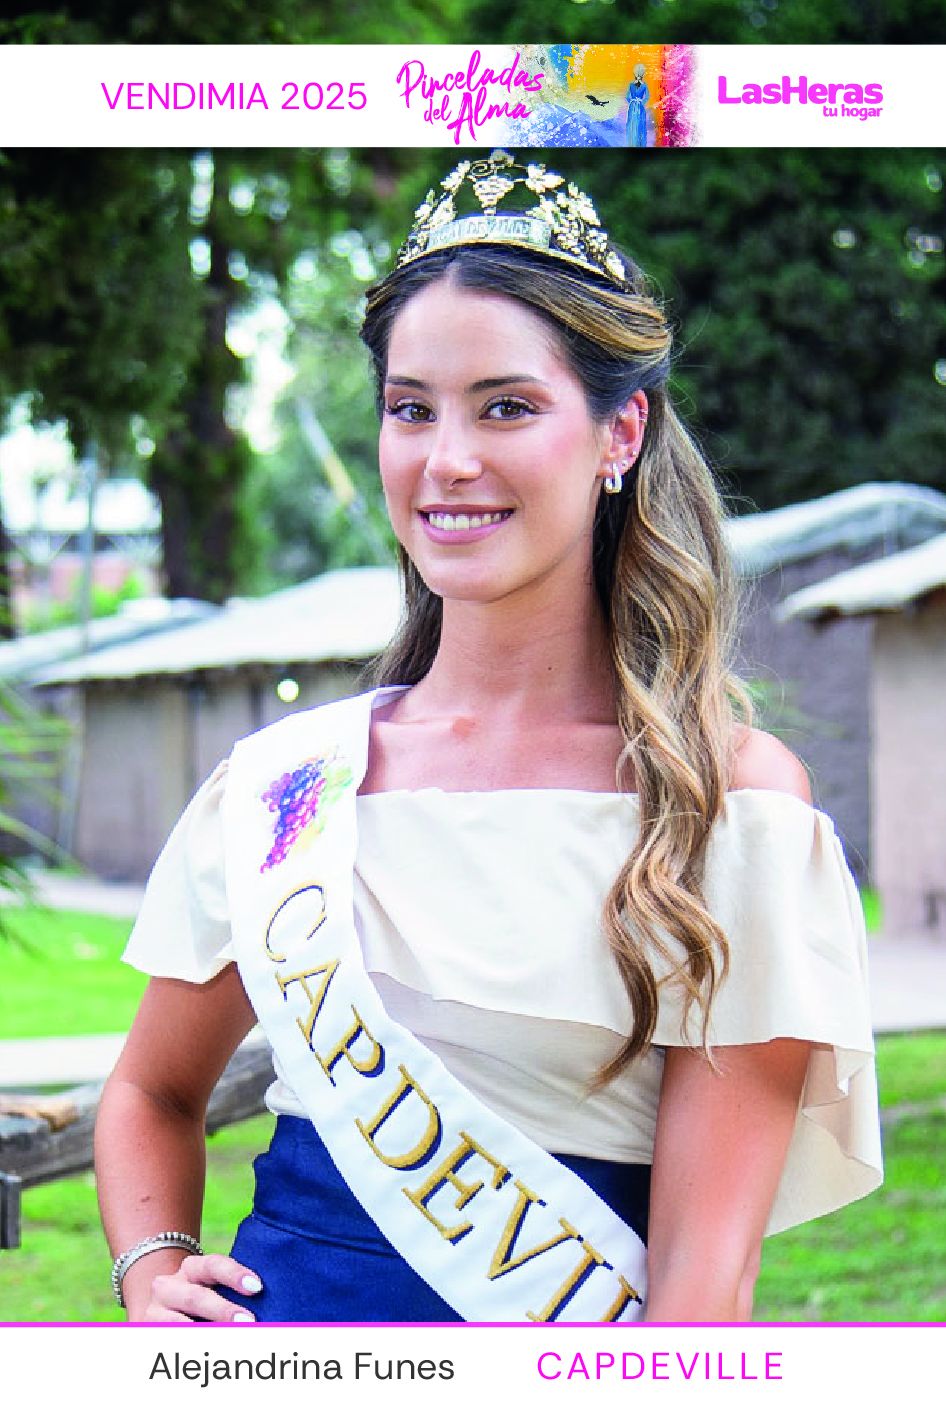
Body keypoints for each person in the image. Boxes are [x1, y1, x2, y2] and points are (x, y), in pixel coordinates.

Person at [94, 150, 882, 1324]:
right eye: (410, 408)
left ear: (620, 432)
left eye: (505, 405)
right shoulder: (285, 787)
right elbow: (151, 1089)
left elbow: (702, 1292)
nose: (446, 459)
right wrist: (152, 1264)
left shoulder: (725, 805)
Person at [625, 63, 651, 148]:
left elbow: (627, 96)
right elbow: (647, 97)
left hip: (634, 107)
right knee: (637, 124)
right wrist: (640, 102)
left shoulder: (632, 84)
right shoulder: (643, 85)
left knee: (635, 124)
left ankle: (634, 143)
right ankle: (637, 144)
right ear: (643, 74)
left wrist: (632, 102)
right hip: (639, 107)